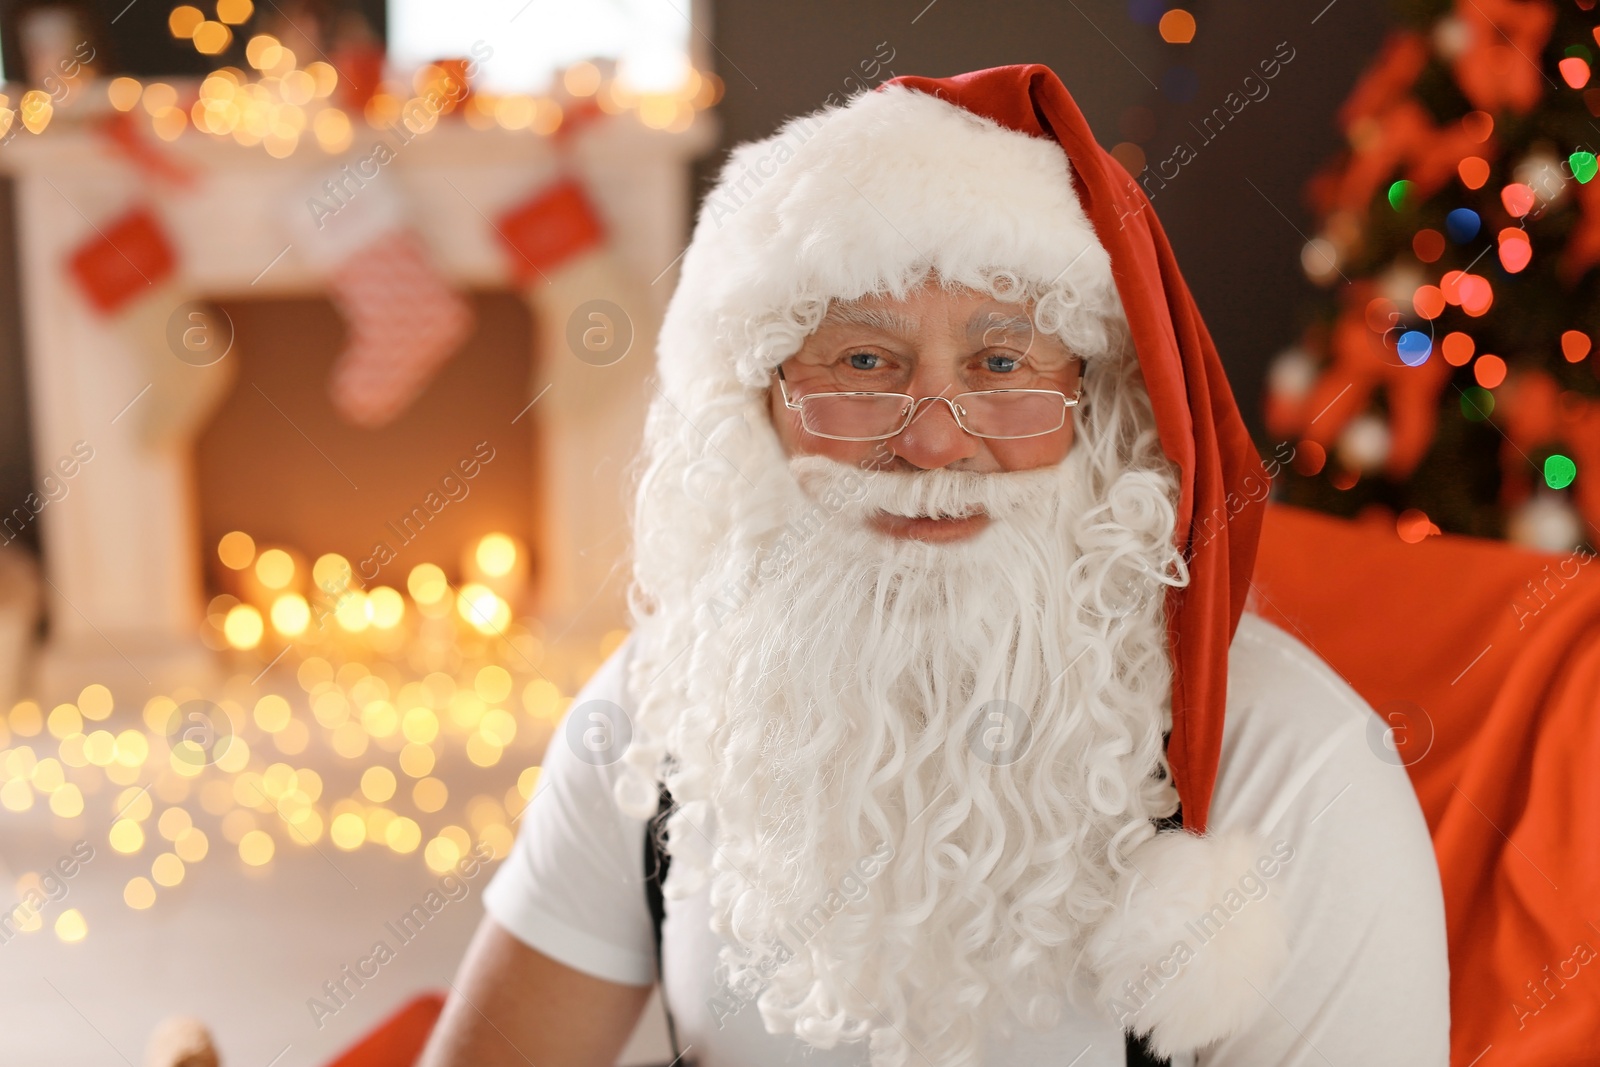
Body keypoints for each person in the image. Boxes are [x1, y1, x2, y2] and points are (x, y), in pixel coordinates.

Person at [418, 64, 1450, 1067]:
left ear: (1098, 417)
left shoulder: (1300, 773)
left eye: (1002, 364)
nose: (932, 443)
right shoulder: (664, 714)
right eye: (864, 362)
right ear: (758, 409)